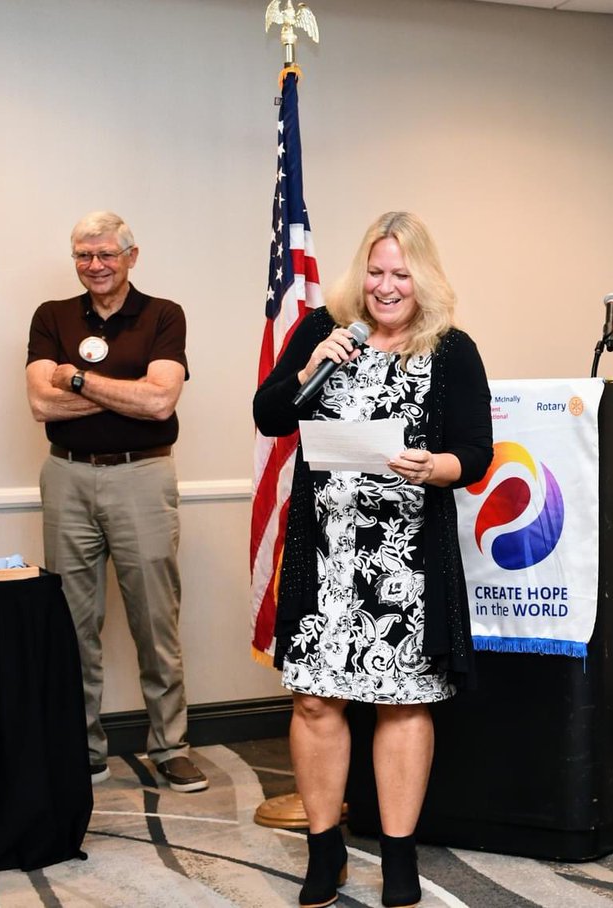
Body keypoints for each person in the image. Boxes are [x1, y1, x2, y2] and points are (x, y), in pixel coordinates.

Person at [253, 211, 493, 908]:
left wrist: (434, 465)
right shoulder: (322, 332)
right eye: (377, 272)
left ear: (424, 279)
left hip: (406, 564)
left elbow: (474, 455)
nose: (386, 287)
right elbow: (270, 415)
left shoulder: (451, 351)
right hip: (324, 557)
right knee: (315, 699)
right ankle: (324, 853)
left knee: (403, 704)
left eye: (401, 275)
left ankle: (397, 859)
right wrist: (310, 363)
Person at [26, 211, 207, 793]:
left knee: (155, 620)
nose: (95, 266)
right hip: (67, 477)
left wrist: (76, 380)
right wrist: (127, 395)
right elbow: (40, 406)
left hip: (142, 477)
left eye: (106, 254)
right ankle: (83, 749)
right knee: (73, 624)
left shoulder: (162, 315)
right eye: (84, 255)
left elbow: (160, 406)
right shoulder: (51, 317)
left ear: (132, 255)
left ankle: (171, 747)